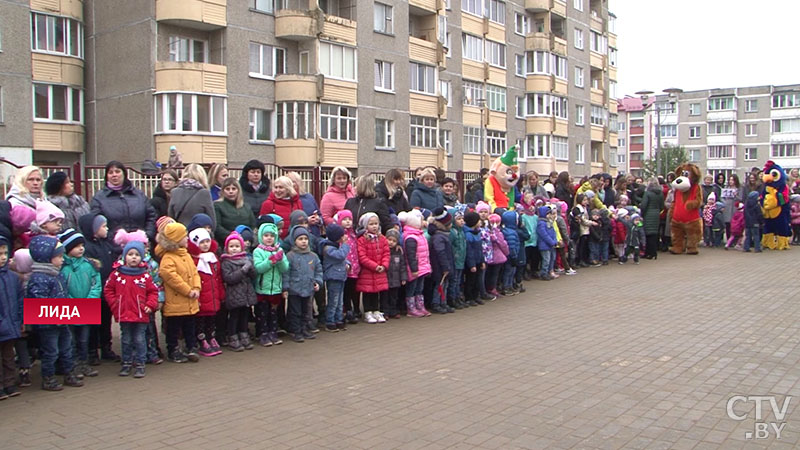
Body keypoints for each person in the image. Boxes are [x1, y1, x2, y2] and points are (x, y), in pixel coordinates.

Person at [28, 235, 84, 390]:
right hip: (48, 325)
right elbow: (38, 304)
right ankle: (48, 377)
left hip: (62, 319)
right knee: (51, 351)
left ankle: (68, 373)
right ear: (47, 257)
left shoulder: (57, 274)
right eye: (58, 256)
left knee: (67, 347)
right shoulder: (39, 278)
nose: (62, 259)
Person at [103, 239, 158, 378]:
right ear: (124, 256)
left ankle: (140, 363)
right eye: (130, 254)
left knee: (140, 339)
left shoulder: (145, 276)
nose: (133, 257)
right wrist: (115, 304)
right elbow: (108, 290)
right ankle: (126, 363)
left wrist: (150, 305)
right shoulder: (116, 274)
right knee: (126, 339)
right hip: (124, 313)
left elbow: (153, 291)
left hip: (141, 314)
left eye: (137, 255)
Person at [78, 212, 121, 364]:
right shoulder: (87, 247)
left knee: (105, 322)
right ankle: (92, 352)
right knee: (93, 324)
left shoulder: (105, 243)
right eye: (103, 226)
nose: (107, 229)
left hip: (107, 290)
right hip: (94, 291)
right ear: (93, 229)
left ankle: (106, 348)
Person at [58, 228, 101, 379]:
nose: (81, 248)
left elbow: (96, 283)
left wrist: (90, 299)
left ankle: (84, 363)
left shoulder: (89, 265)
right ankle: (72, 365)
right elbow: (61, 288)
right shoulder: (62, 268)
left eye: (82, 245)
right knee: (71, 340)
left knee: (84, 339)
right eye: (77, 246)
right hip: (70, 309)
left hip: (87, 307)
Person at [156, 222, 201, 364]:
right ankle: (173, 350)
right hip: (177, 300)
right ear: (176, 239)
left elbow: (194, 273)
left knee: (190, 324)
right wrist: (188, 290)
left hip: (190, 300)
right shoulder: (168, 258)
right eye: (184, 236)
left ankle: (191, 346)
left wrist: (196, 287)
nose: (187, 239)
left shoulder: (186, 255)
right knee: (174, 327)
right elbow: (171, 277)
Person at [90, 161, 157, 240]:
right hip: (112, 246)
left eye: (117, 171)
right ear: (106, 176)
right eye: (110, 173)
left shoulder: (139, 195)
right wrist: (114, 238)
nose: (114, 175)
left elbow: (151, 216)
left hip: (140, 244)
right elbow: (96, 222)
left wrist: (147, 235)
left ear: (124, 174)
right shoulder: (99, 198)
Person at [187, 228, 224, 357]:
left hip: (213, 296)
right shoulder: (194, 260)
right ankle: (202, 340)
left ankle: (211, 337)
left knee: (211, 320)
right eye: (202, 242)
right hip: (202, 297)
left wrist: (221, 293)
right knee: (201, 321)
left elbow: (218, 278)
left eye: (207, 241)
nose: (205, 245)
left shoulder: (213, 258)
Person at [282, 227, 323, 343]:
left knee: (306, 311)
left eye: (306, 238)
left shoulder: (313, 256)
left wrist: (317, 281)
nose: (304, 241)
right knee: (295, 312)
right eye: (300, 239)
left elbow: (318, 270)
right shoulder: (290, 256)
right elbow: (286, 273)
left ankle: (304, 329)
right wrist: (285, 288)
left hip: (308, 289)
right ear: (294, 241)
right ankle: (296, 331)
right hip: (294, 290)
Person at [220, 232, 257, 352]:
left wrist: (251, 268)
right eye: (231, 246)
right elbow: (229, 278)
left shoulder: (246, 259)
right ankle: (233, 336)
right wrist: (243, 270)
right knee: (234, 316)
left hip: (246, 293)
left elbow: (253, 276)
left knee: (245, 315)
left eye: (237, 246)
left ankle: (244, 333)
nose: (234, 249)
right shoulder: (226, 262)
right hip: (234, 294)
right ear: (227, 248)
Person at [253, 223, 288, 346]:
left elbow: (285, 268)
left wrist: (279, 260)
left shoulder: (279, 250)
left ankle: (273, 332)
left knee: (273, 314)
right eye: (266, 235)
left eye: (272, 236)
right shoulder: (258, 251)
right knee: (262, 313)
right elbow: (258, 268)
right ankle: (262, 334)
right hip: (263, 289)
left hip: (275, 289)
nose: (269, 238)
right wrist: (271, 261)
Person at [0, 236, 24, 398]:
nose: (3, 257)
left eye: (5, 253)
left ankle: (9, 383)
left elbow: (19, 300)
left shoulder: (13, 277)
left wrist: (20, 319)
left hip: (10, 323)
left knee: (9, 356)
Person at [356, 213, 390, 323]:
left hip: (380, 270)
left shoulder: (382, 238)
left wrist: (384, 265)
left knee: (377, 291)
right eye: (371, 224)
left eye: (376, 224)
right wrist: (374, 266)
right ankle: (367, 312)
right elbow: (362, 256)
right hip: (368, 271)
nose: (374, 226)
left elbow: (386, 253)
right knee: (367, 292)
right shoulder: (362, 240)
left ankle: (376, 310)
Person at [399, 209, 431, 317]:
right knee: (412, 288)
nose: (423, 223)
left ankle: (420, 306)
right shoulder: (411, 237)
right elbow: (410, 255)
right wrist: (414, 269)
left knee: (419, 288)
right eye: (421, 220)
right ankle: (411, 308)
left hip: (422, 267)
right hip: (415, 269)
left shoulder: (420, 235)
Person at [319, 224, 350, 331]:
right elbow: (340, 256)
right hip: (333, 277)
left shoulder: (336, 246)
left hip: (341, 276)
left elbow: (343, 259)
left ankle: (339, 318)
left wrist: (348, 264)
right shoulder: (328, 248)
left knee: (340, 301)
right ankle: (330, 320)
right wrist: (345, 244)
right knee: (334, 300)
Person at [168, 163, 216, 231]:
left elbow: (171, 218)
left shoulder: (174, 192)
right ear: (202, 176)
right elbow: (212, 221)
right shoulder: (204, 193)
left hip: (180, 235)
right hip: (199, 235)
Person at [334, 211, 361, 324]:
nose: (348, 222)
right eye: (345, 220)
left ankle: (356, 308)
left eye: (349, 219)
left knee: (355, 288)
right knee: (346, 289)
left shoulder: (353, 234)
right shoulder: (339, 237)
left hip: (355, 266)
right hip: (345, 267)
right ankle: (348, 309)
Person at [213, 178, 256, 247]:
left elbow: (253, 225)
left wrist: (247, 237)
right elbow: (217, 227)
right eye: (227, 189)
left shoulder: (246, 206)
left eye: (233, 189)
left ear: (238, 190)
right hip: (227, 244)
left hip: (246, 243)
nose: (231, 191)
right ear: (223, 191)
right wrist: (234, 237)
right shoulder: (217, 205)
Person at [428, 208, 455, 314]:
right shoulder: (438, 237)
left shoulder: (443, 236)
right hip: (440, 267)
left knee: (445, 285)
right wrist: (445, 267)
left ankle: (443, 302)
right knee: (439, 285)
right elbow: (440, 253)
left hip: (445, 265)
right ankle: (436, 303)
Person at [286, 171, 322, 237]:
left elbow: (319, 214)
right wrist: (306, 221)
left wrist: (318, 219)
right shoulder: (286, 200)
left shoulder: (309, 197)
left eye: (294, 181)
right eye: (290, 182)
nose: (292, 184)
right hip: (297, 236)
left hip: (314, 234)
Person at [462, 211, 484, 306]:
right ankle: (469, 297)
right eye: (478, 220)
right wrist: (471, 264)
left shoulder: (477, 233)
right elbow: (469, 251)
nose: (480, 222)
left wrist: (482, 261)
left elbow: (480, 248)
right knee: (470, 281)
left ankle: (476, 296)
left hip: (478, 260)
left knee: (477, 280)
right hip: (472, 263)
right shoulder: (468, 235)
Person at [385, 229, 407, 318]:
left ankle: (393, 310)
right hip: (385, 278)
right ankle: (385, 311)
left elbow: (402, 266)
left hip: (396, 279)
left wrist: (403, 278)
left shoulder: (398, 252)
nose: (391, 242)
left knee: (394, 296)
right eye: (389, 240)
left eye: (394, 241)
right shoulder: (384, 250)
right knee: (385, 297)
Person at [484, 214, 508, 297]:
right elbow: (502, 244)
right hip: (498, 256)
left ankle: (489, 288)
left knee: (489, 273)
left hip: (488, 256)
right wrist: (506, 253)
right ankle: (493, 288)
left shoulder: (486, 231)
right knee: (495, 274)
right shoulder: (497, 232)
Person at [640, 179, 664, 260]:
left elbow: (643, 205)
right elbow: (662, 206)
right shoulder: (660, 193)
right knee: (654, 234)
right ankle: (654, 252)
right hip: (656, 214)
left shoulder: (647, 193)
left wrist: (641, 214)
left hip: (648, 214)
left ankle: (648, 253)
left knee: (648, 234)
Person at [447, 210, 466, 309]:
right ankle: (452, 299)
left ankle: (458, 297)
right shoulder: (452, 232)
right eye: (458, 219)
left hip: (460, 260)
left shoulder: (461, 231)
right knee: (454, 281)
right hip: (455, 260)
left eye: (462, 219)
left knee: (458, 280)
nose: (462, 221)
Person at [500, 210, 521, 295]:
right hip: (511, 256)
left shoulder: (510, 230)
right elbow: (511, 246)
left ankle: (510, 285)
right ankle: (506, 287)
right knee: (509, 271)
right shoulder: (510, 232)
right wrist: (514, 256)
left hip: (511, 255)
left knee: (511, 271)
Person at [537, 206, 558, 280]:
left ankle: (549, 271)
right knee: (546, 259)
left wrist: (555, 240)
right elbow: (544, 235)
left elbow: (553, 232)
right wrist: (551, 242)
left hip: (551, 245)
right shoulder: (541, 223)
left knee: (552, 258)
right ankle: (544, 273)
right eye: (548, 214)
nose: (549, 215)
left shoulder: (549, 222)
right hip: (544, 245)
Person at [721, 174, 743, 241]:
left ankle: (734, 240)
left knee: (735, 225)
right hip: (727, 207)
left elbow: (740, 198)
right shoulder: (726, 188)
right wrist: (724, 203)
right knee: (727, 224)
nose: (731, 181)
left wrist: (736, 195)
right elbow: (721, 197)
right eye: (730, 180)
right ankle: (728, 239)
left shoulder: (739, 188)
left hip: (734, 208)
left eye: (732, 180)